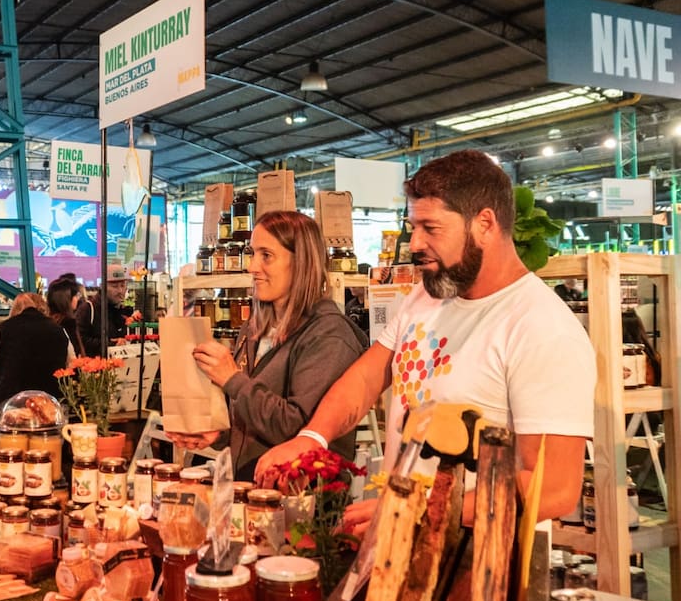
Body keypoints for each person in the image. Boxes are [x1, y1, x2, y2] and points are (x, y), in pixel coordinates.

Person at [256, 149, 596, 530]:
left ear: (484, 223)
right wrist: (313, 436)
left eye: (431, 228)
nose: (415, 243)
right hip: (401, 539)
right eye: (413, 226)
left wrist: (416, 508)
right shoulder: (427, 296)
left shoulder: (542, 328)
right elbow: (368, 377)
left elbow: (553, 487)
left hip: (475, 556)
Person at [165, 211, 366, 482]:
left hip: (300, 497)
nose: (252, 267)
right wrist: (219, 431)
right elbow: (254, 414)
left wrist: (232, 380)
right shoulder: (255, 328)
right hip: (250, 489)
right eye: (252, 254)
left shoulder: (329, 335)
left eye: (266, 256)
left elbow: (300, 428)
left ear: (301, 263)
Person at [0, 292, 69, 421]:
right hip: (51, 403)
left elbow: (4, 365)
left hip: (11, 401)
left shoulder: (4, 329)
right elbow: (71, 362)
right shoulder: (59, 330)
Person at [78, 262, 140, 356]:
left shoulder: (123, 310)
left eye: (122, 285)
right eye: (115, 286)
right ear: (103, 287)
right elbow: (80, 340)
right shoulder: (88, 309)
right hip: (95, 364)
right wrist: (109, 344)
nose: (120, 291)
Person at [47, 275, 85, 359]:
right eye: (76, 295)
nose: (77, 299)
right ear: (67, 299)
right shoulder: (68, 323)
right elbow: (75, 352)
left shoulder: (48, 321)